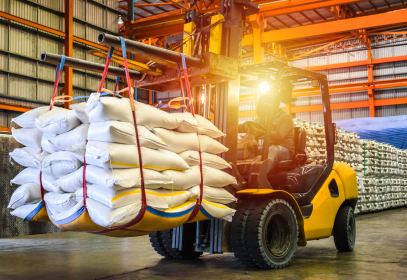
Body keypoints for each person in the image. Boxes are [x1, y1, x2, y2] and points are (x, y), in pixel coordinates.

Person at [238, 107, 295, 174]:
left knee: (273, 150)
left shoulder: (285, 117)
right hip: (268, 147)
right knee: (250, 149)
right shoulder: (264, 116)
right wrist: (247, 127)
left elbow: (279, 136)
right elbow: (254, 124)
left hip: (285, 148)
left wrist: (263, 132)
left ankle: (260, 177)